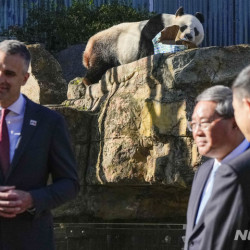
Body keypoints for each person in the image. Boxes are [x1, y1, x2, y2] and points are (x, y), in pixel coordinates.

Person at [0, 40, 79, 249]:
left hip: (31, 240)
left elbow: (70, 184)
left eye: (9, 74)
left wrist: (32, 199)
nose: (1, 79)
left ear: (25, 79)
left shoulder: (49, 122)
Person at [184, 85, 249, 250]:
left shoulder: (244, 172)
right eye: (193, 124)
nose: (197, 132)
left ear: (235, 123)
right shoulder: (203, 172)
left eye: (204, 123)